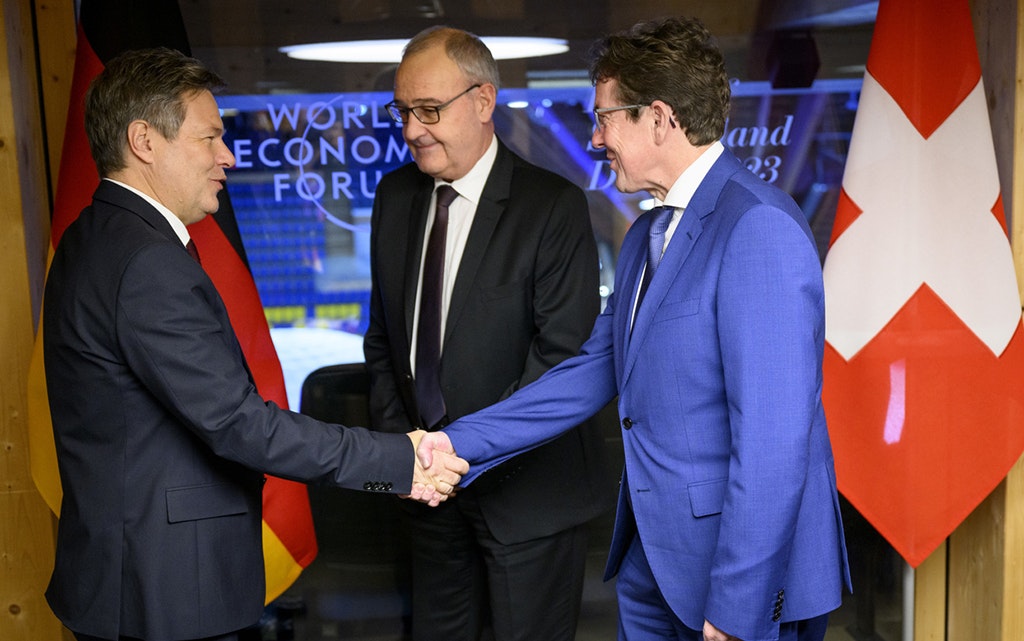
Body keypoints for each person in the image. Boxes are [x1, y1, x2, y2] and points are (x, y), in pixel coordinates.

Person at [421, 16, 852, 641]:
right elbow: (590, 371)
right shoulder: (647, 233)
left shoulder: (758, 227)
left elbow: (773, 444)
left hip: (733, 580)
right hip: (652, 560)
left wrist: (736, 607)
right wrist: (458, 443)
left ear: (659, 118)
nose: (595, 139)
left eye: (603, 118)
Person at [42, 47, 467, 641]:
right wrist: (399, 462)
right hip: (163, 591)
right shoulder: (145, 260)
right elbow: (239, 425)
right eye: (210, 138)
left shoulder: (94, 235)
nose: (228, 156)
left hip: (134, 579)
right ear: (144, 140)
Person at [364, 25, 614, 641]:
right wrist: (409, 455)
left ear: (482, 102)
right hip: (427, 494)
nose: (411, 130)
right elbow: (382, 343)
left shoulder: (552, 206)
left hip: (527, 499)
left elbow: (561, 359)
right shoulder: (395, 196)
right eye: (403, 111)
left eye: (429, 110)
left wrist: (460, 455)